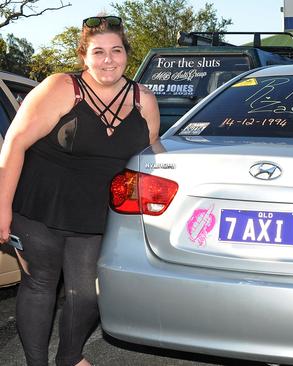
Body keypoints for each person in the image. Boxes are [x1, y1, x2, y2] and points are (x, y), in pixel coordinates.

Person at [0, 15, 159, 366]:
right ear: (84, 56)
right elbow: (14, 143)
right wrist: (2, 208)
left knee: (86, 296)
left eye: (116, 50)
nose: (108, 59)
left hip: (94, 217)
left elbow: (152, 153)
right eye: (98, 51)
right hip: (39, 208)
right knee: (40, 285)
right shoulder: (60, 87)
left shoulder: (143, 100)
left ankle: (69, 357)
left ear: (126, 55)